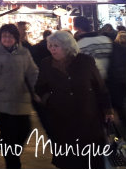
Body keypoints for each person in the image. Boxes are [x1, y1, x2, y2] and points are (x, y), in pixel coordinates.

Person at [35, 30, 112, 169]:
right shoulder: (46, 64)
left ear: (67, 46)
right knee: (69, 160)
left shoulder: (85, 61)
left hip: (89, 117)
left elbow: (99, 87)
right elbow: (40, 88)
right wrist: (49, 100)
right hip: (62, 119)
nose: (52, 49)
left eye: (56, 46)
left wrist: (107, 109)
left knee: (92, 159)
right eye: (50, 45)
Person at [0, 24, 38, 169]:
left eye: (10, 36)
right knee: (9, 132)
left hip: (20, 97)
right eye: (4, 36)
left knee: (25, 128)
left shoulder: (24, 52)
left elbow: (33, 71)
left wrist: (34, 90)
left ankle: (13, 154)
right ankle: (12, 163)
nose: (7, 39)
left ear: (16, 38)